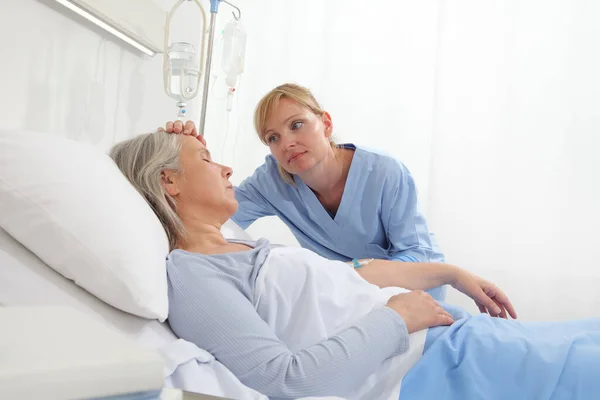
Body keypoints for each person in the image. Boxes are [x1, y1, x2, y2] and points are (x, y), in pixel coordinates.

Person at [109, 130, 600, 400]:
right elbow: (287, 379)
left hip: (454, 335)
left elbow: (351, 278)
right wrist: (398, 318)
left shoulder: (243, 246)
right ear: (169, 181)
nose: (226, 168)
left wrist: (454, 274)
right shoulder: (193, 273)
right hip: (427, 367)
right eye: (206, 158)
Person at [163, 84, 447, 301]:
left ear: (325, 123)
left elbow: (419, 256)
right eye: (273, 138)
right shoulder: (272, 180)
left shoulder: (384, 172)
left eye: (297, 125)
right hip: (347, 298)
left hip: (414, 290)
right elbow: (209, 213)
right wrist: (177, 160)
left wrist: (352, 276)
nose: (287, 143)